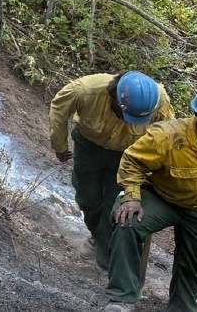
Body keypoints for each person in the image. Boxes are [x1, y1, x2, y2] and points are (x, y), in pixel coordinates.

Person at [103, 81, 197, 312]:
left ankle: (181, 308)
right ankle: (122, 298)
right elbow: (132, 160)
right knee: (126, 222)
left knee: (193, 263)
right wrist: (131, 196)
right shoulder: (168, 136)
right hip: (161, 197)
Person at [49, 71, 173, 269]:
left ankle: (105, 256)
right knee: (87, 198)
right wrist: (60, 145)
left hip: (129, 156)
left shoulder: (159, 99)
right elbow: (59, 110)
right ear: (115, 100)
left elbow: (165, 134)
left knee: (113, 206)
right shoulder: (85, 90)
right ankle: (97, 236)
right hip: (89, 147)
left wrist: (158, 169)